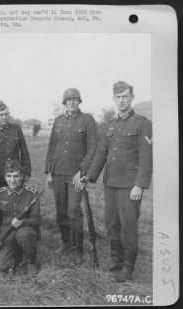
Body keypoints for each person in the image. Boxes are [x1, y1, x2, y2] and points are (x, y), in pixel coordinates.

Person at [80, 81, 152, 282]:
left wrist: (139, 185)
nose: (121, 100)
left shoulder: (142, 123)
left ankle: (128, 267)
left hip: (130, 186)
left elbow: (146, 158)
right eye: (118, 97)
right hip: (110, 184)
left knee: (128, 226)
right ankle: (116, 260)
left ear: (132, 98)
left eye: (125, 96)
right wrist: (89, 175)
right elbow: (101, 155)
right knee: (111, 223)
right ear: (114, 99)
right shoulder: (110, 126)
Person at [44, 88, 97, 264]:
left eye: (75, 100)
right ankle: (66, 242)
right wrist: (49, 171)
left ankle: (77, 248)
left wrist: (82, 171)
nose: (72, 102)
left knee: (74, 210)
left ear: (79, 102)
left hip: (75, 174)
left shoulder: (87, 120)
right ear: (65, 103)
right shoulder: (58, 121)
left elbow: (92, 149)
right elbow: (52, 147)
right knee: (61, 211)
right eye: (69, 100)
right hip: (58, 172)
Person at [0, 101, 31, 245]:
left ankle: (18, 237)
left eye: (6, 114)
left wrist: (26, 171)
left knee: (19, 205)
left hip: (14, 177)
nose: (4, 117)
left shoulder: (16, 130)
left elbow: (24, 152)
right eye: (1, 115)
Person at [0, 160, 41, 275]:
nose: (12, 180)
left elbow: (37, 220)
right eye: (9, 176)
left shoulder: (32, 194)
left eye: (16, 176)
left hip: (25, 231)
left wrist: (23, 222)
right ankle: (17, 255)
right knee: (0, 267)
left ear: (22, 176)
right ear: (5, 177)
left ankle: (31, 261)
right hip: (6, 234)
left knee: (24, 235)